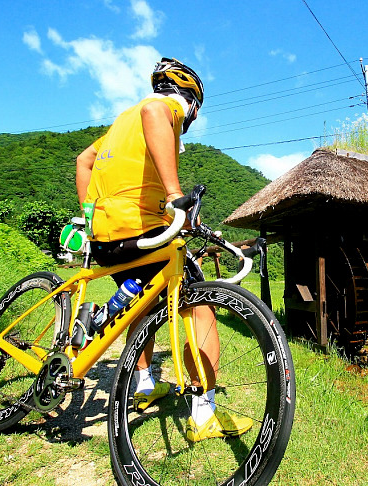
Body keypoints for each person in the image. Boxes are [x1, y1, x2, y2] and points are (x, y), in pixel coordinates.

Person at [75, 58, 251, 442]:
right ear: (194, 103)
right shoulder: (165, 107)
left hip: (108, 235)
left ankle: (144, 384)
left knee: (139, 306)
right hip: (145, 232)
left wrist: (88, 215)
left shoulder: (122, 123)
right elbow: (157, 109)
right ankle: (204, 412)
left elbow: (83, 160)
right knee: (199, 308)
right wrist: (175, 197)